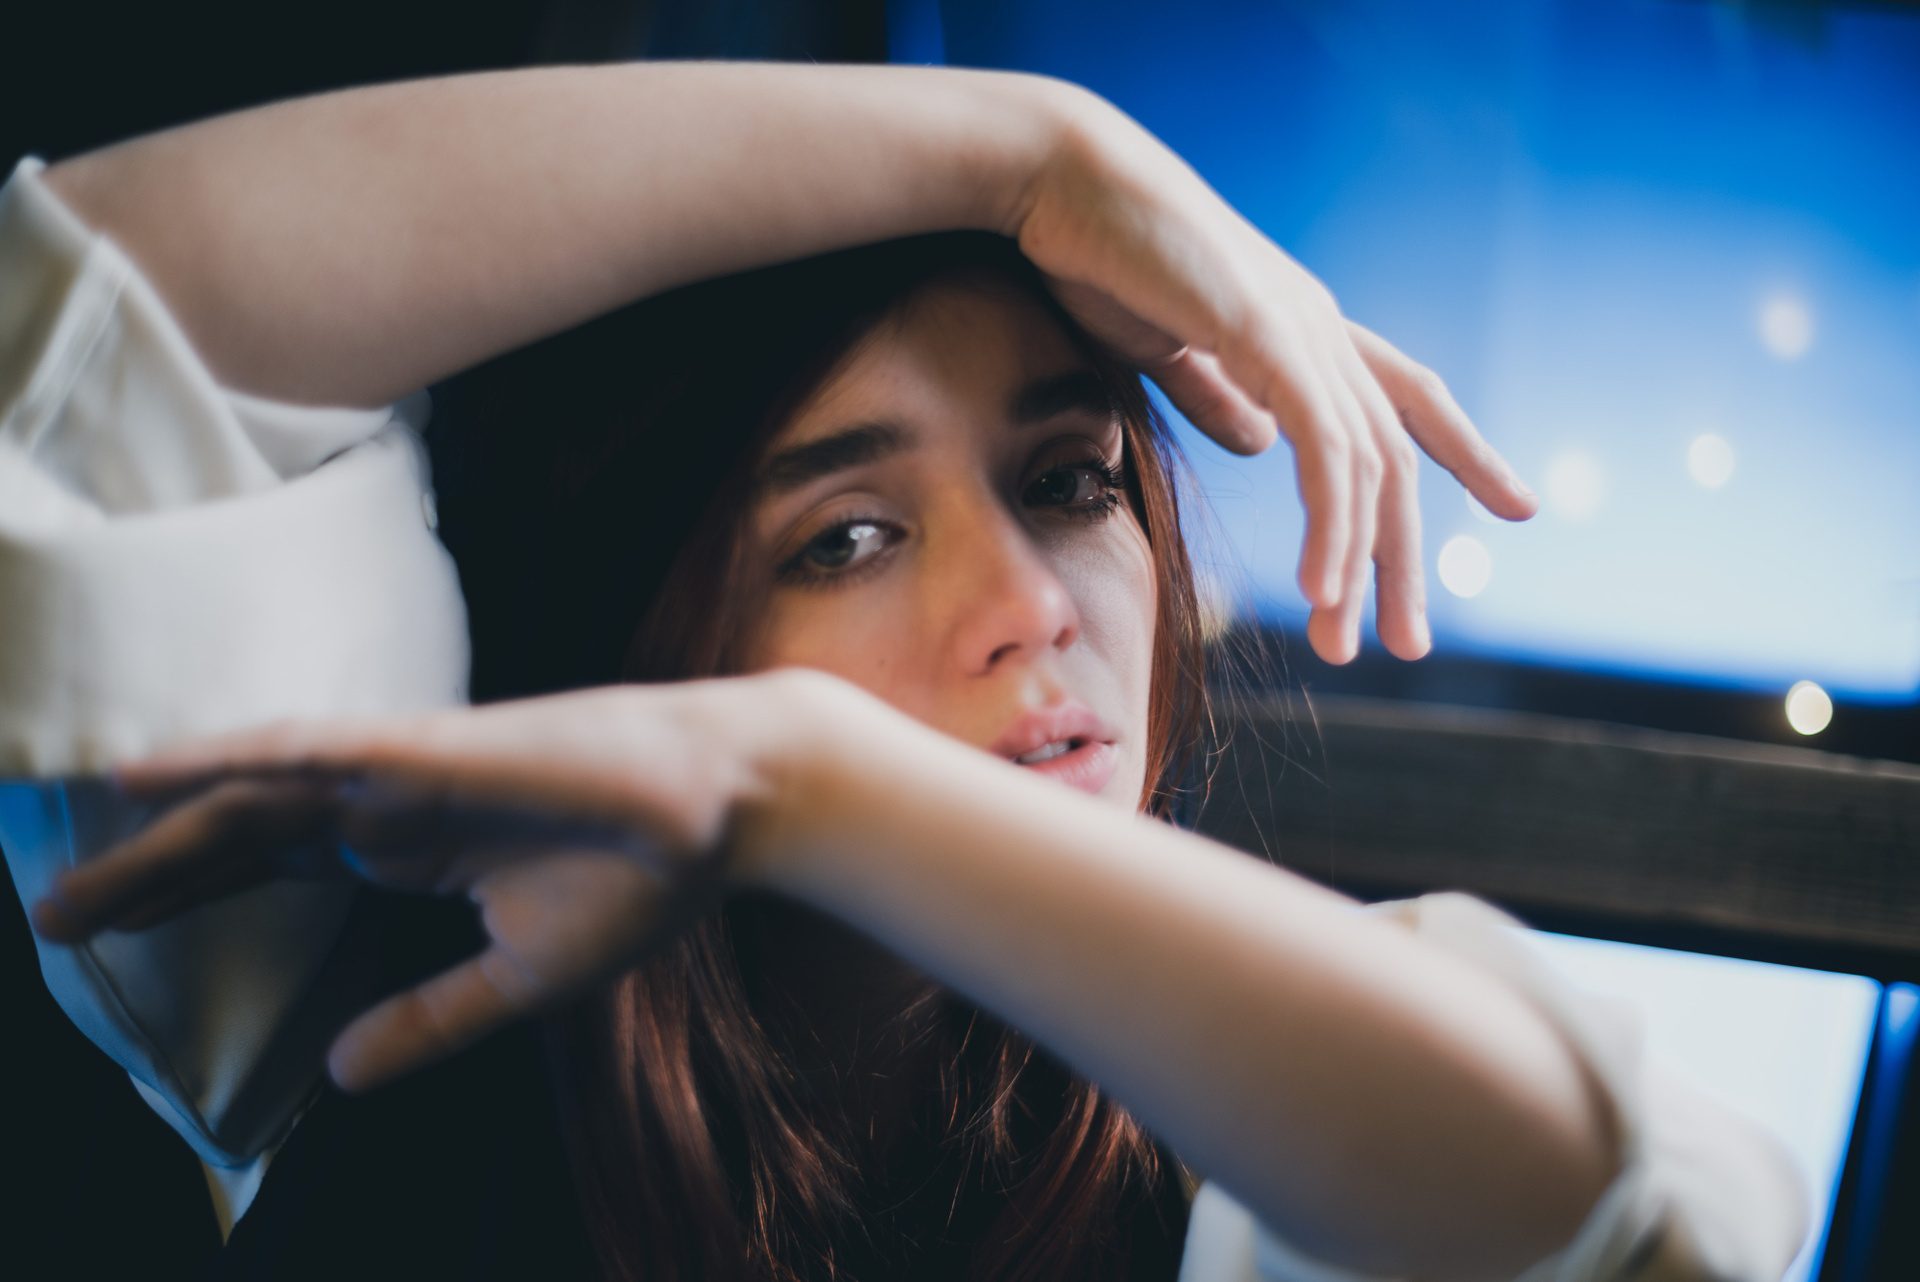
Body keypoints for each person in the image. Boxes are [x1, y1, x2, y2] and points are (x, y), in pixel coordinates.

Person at [7, 63, 1801, 1280]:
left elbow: (1633, 1216)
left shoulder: (1262, 1115)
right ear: (645, 633)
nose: (1028, 603)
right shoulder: (385, 1003)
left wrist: (814, 782)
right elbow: (72, 352)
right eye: (846, 535)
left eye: (1070, 481)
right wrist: (1026, 147)